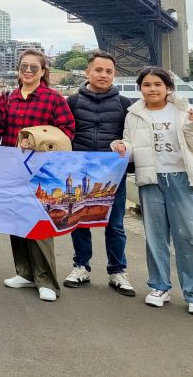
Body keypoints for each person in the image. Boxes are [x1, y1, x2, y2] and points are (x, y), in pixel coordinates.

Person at [116, 66, 193, 316]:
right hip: (151, 180)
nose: (152, 89)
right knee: (156, 237)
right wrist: (121, 147)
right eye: (147, 85)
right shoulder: (133, 114)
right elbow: (131, 145)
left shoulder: (184, 110)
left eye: (157, 84)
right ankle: (159, 287)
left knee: (191, 237)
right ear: (141, 89)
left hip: (182, 180)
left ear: (168, 87)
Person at [0, 48, 75, 302]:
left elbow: (66, 132)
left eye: (33, 68)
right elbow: (1, 127)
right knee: (15, 221)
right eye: (24, 67)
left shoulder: (54, 99)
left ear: (43, 72)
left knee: (39, 224)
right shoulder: (11, 97)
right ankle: (25, 273)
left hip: (41, 171)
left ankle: (46, 279)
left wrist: (38, 142)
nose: (28, 71)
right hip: (11, 167)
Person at [63, 50, 135, 296]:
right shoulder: (71, 102)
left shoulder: (126, 105)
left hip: (113, 175)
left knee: (114, 225)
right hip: (80, 171)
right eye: (98, 70)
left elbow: (133, 139)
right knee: (78, 221)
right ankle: (81, 266)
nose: (103, 75)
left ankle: (117, 270)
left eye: (109, 71)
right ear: (88, 72)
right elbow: (61, 136)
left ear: (114, 75)